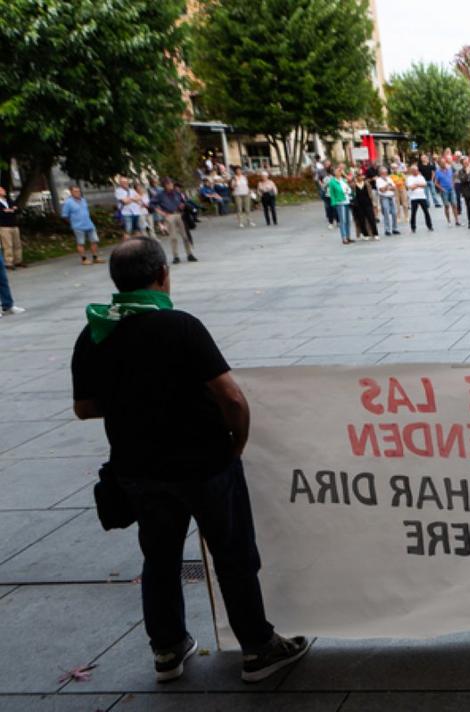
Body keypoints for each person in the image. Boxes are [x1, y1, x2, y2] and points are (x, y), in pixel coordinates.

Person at [72, 237, 310, 684]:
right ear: (163, 275)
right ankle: (257, 648)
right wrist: (237, 441)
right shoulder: (179, 326)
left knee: (159, 558)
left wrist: (132, 402)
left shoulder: (95, 332)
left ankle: (167, 649)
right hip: (204, 463)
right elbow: (231, 397)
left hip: (138, 468)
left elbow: (84, 408)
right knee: (233, 554)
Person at [154, 177, 197, 263]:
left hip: (179, 214)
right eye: (169, 184)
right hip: (169, 215)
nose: (171, 185)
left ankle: (189, 254)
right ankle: (176, 256)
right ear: (165, 185)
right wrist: (161, 213)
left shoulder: (176, 193)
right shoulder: (160, 195)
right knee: (173, 237)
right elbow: (152, 204)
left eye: (171, 183)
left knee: (185, 235)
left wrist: (182, 205)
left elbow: (183, 201)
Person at [60, 185, 103, 265]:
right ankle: (84, 259)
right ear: (71, 192)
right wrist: (72, 222)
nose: (78, 193)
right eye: (75, 191)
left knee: (94, 241)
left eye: (78, 191)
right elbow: (64, 215)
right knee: (81, 243)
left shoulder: (83, 200)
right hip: (78, 226)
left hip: (89, 224)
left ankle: (95, 257)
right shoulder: (68, 203)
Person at [325, 167, 353, 244]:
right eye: (338, 171)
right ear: (334, 173)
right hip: (340, 202)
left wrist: (348, 191)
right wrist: (334, 202)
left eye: (340, 171)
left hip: (347, 200)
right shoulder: (332, 182)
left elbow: (349, 188)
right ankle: (344, 238)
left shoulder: (343, 180)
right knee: (342, 220)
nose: (340, 172)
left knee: (347, 220)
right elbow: (331, 193)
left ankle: (348, 237)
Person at [0, 186, 24, 270]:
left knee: (17, 244)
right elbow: (2, 213)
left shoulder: (9, 201)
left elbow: (17, 209)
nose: (4, 191)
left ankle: (18, 260)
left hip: (14, 224)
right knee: (8, 245)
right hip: (4, 226)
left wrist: (10, 210)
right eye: (1, 190)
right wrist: (8, 211)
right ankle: (9, 262)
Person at [351, 173, 379, 240]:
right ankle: (365, 234)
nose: (360, 177)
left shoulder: (367, 184)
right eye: (359, 176)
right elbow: (352, 194)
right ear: (356, 177)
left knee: (371, 219)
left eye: (361, 176)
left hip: (368, 203)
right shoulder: (354, 185)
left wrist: (373, 203)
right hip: (358, 205)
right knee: (361, 220)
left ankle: (375, 234)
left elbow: (370, 194)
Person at [405, 167, 433, 232]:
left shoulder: (421, 177)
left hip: (422, 197)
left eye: (417, 170)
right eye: (414, 170)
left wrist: (416, 185)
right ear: (412, 171)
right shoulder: (409, 178)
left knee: (426, 212)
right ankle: (413, 227)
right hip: (414, 197)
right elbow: (411, 187)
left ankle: (430, 226)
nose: (416, 171)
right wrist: (419, 185)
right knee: (413, 213)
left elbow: (425, 185)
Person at [435, 158, 459, 226]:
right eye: (442, 163)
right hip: (444, 191)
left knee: (454, 204)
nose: (444, 164)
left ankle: (457, 221)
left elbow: (453, 176)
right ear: (439, 164)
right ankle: (449, 221)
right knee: (446, 206)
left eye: (444, 162)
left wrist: (453, 183)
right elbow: (436, 183)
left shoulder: (449, 169)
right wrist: (442, 189)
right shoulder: (438, 172)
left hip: (451, 189)